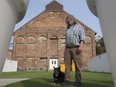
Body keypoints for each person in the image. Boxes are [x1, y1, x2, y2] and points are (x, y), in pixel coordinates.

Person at [62, 15, 85, 86]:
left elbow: (82, 38)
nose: (69, 20)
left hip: (76, 48)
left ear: (74, 19)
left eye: (71, 19)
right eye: (68, 19)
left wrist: (80, 47)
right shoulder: (67, 29)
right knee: (67, 66)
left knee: (77, 66)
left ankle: (78, 81)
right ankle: (66, 81)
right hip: (67, 49)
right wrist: (65, 49)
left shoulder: (79, 27)